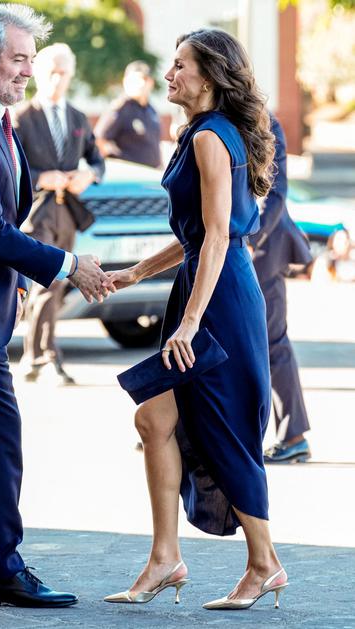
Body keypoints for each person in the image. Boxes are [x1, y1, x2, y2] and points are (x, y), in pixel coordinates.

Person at [102, 28, 288, 610]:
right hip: (209, 286)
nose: (169, 74)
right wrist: (135, 274)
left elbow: (216, 238)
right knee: (154, 419)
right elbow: (197, 235)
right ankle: (165, 559)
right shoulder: (205, 132)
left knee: (223, 427)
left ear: (208, 77)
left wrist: (189, 323)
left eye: (180, 65)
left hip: (219, 300)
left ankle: (265, 564)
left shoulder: (210, 137)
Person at [0, 3, 111, 607]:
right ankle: (1, 573)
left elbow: (4, 216)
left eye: (31, 60)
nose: (28, 72)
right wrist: (66, 265)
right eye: (18, 59)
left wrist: (16, 280)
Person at [14, 43, 105, 385]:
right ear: (38, 73)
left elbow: (97, 160)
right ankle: (44, 356)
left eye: (63, 73)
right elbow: (9, 167)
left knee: (58, 284)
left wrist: (89, 175)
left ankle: (35, 357)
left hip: (68, 212)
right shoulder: (22, 117)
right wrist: (40, 178)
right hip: (36, 212)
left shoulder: (77, 117)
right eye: (51, 72)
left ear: (71, 75)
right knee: (47, 280)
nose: (57, 79)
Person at [249, 115, 313, 464]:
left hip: (262, 250)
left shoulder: (265, 122)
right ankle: (174, 428)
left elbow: (274, 193)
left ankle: (293, 437)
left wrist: (248, 241)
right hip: (221, 247)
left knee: (273, 342)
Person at [94, 60, 161, 168]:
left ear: (151, 82)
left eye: (144, 79)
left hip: (152, 173)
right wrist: (115, 156)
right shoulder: (120, 108)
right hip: (129, 174)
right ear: (125, 81)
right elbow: (98, 140)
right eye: (135, 79)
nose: (140, 83)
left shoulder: (151, 110)